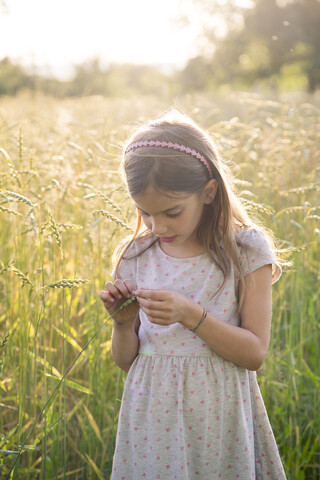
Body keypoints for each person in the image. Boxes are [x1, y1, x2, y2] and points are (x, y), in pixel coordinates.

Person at [99, 110, 286, 479]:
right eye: (145, 213)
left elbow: (254, 353)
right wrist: (122, 326)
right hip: (154, 415)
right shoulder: (136, 255)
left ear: (209, 191)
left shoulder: (245, 251)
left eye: (172, 212)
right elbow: (126, 362)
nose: (158, 226)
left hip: (219, 411)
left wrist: (191, 315)